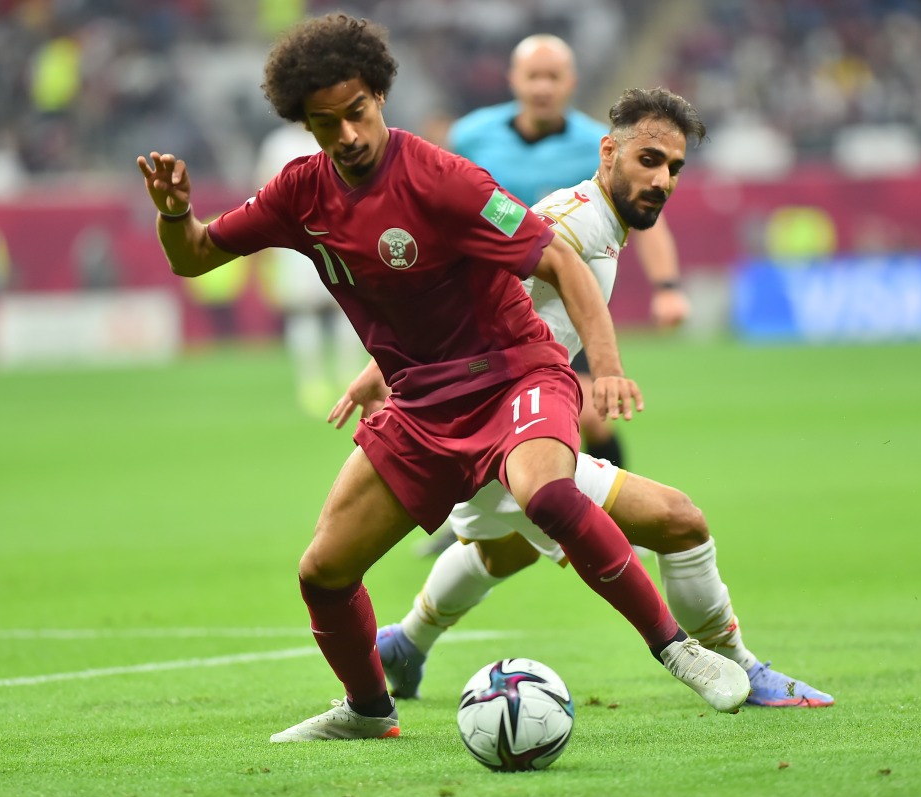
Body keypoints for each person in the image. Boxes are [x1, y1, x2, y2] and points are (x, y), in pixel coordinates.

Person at [135, 13, 749, 743]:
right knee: (323, 571)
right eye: (326, 123)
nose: (347, 135)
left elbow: (557, 260)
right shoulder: (299, 193)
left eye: (357, 112)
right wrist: (175, 213)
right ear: (305, 123)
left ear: (379, 95)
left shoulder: (441, 177)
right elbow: (195, 255)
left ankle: (676, 648)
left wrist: (607, 368)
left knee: (548, 494)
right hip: (421, 405)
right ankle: (369, 710)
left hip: (516, 374)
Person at [343, 88, 834, 709]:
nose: (662, 180)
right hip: (497, 425)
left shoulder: (603, 227)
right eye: (648, 160)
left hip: (486, 427)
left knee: (505, 547)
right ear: (608, 153)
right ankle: (740, 667)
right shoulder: (572, 221)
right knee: (681, 523)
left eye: (674, 168)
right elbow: (469, 284)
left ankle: (406, 645)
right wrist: (381, 368)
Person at [447, 34, 689, 476]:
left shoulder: (596, 142)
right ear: (514, 80)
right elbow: (449, 205)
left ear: (570, 83)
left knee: (591, 416)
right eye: (533, 76)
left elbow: (645, 218)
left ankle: (588, 500)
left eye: (553, 76)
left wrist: (667, 286)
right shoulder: (471, 136)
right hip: (498, 296)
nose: (543, 87)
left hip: (564, 297)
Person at [254, 122, 364, 417]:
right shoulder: (278, 144)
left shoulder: (333, 136)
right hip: (298, 242)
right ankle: (314, 381)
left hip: (336, 235)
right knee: (306, 311)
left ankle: (342, 376)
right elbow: (263, 195)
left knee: (344, 308)